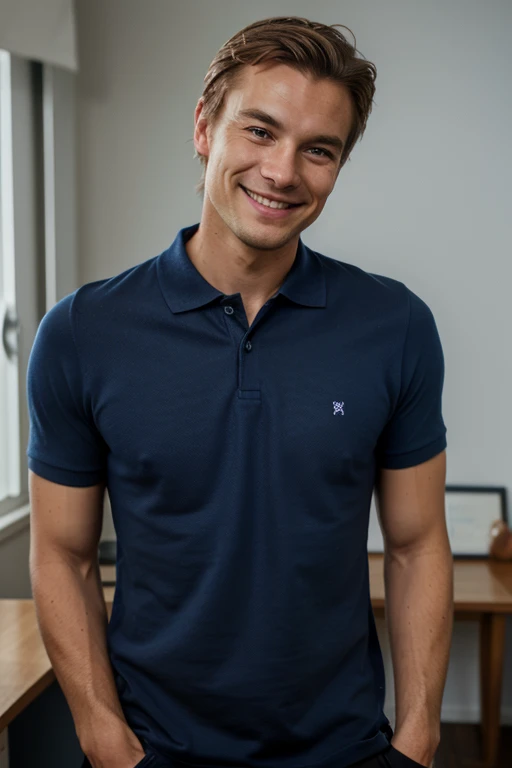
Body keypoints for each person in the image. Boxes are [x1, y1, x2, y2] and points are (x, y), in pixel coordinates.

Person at [26, 15, 453, 768]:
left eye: (318, 150)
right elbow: (63, 555)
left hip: (345, 750)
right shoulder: (82, 333)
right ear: (204, 127)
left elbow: (417, 546)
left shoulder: (396, 326)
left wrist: (416, 740)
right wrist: (105, 739)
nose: (284, 172)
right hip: (152, 750)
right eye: (260, 131)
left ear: (338, 165)